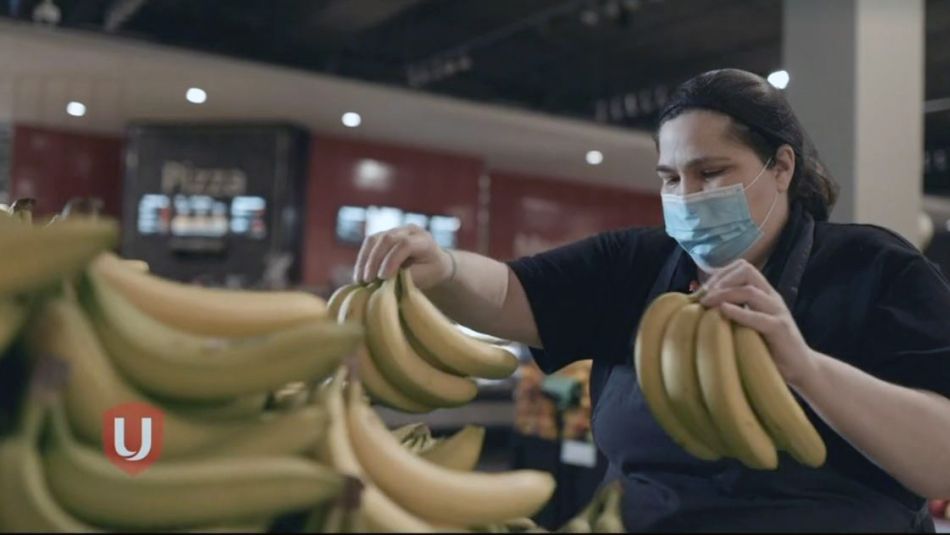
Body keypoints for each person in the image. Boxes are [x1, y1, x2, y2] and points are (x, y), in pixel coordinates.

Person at [353, 68, 950, 532]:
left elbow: (942, 461)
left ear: (781, 167)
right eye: (670, 178)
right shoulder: (636, 265)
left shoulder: (877, 269)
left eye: (711, 172)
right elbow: (512, 290)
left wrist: (803, 367)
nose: (687, 196)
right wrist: (445, 265)